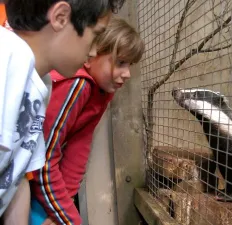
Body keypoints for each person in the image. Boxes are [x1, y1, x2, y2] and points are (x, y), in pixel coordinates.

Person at [0, 0, 125, 224]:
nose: (94, 51)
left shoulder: (41, 84)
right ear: (60, 17)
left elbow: (15, 177)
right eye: (95, 35)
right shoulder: (6, 58)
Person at [29, 16, 145, 225]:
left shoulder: (100, 92)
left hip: (38, 176)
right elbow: (44, 157)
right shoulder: (77, 85)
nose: (127, 74)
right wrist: (68, 218)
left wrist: (65, 208)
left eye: (130, 64)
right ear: (91, 54)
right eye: (120, 62)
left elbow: (79, 146)